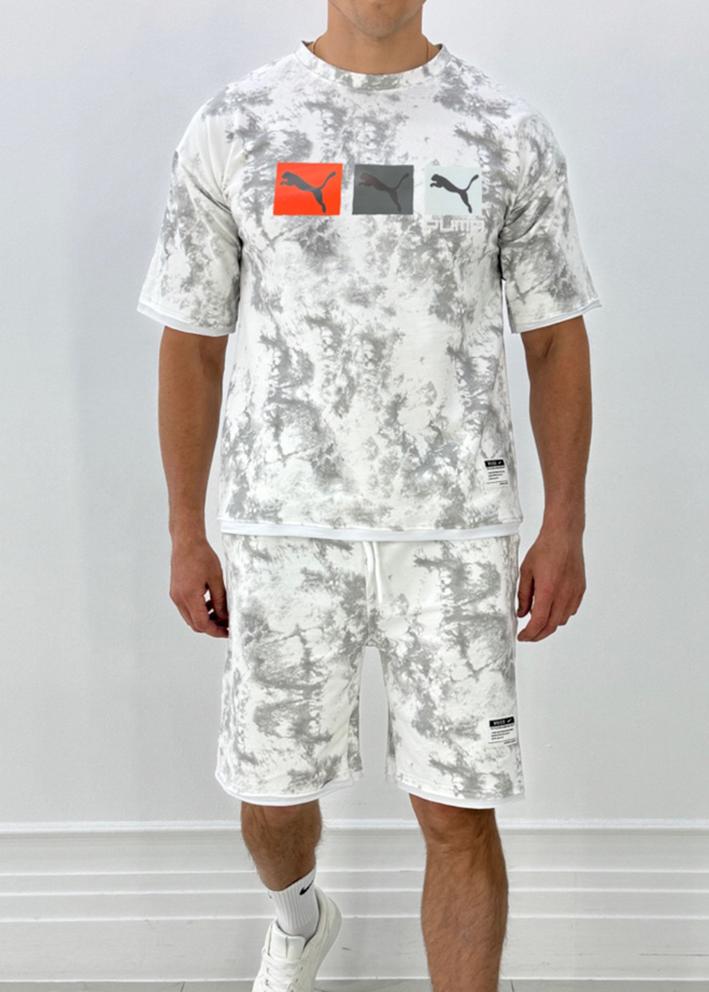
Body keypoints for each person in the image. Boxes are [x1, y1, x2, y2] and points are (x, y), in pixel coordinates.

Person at [136, 2, 602, 989]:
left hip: (454, 530)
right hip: (284, 526)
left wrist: (564, 522)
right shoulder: (238, 123)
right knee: (271, 797)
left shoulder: (503, 130)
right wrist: (185, 529)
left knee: (457, 810)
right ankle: (298, 916)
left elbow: (555, 338)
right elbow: (193, 340)